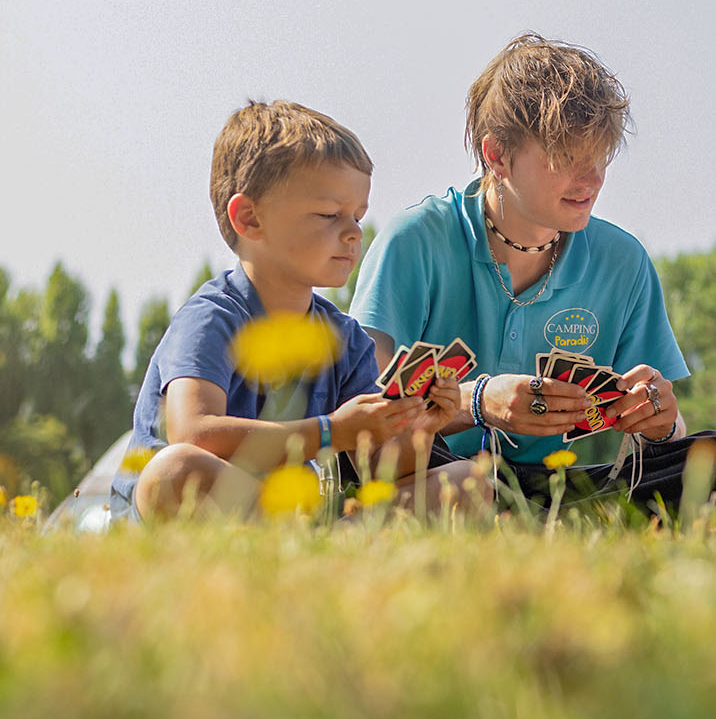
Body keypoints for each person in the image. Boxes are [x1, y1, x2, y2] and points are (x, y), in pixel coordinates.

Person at [350, 34, 716, 513]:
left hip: (555, 488)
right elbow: (364, 417)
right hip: (433, 476)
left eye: (601, 157)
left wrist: (659, 421)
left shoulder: (625, 261)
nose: (591, 179)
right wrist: (477, 401)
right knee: (470, 485)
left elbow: (667, 440)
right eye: (568, 158)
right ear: (496, 155)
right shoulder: (413, 241)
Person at [121, 100, 476, 520]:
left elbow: (378, 467)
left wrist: (419, 426)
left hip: (294, 517)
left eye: (358, 216)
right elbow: (193, 432)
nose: (352, 234)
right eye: (329, 215)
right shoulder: (212, 317)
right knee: (174, 471)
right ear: (250, 219)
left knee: (467, 482)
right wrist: (332, 432)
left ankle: (323, 549)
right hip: (203, 513)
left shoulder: (344, 338)